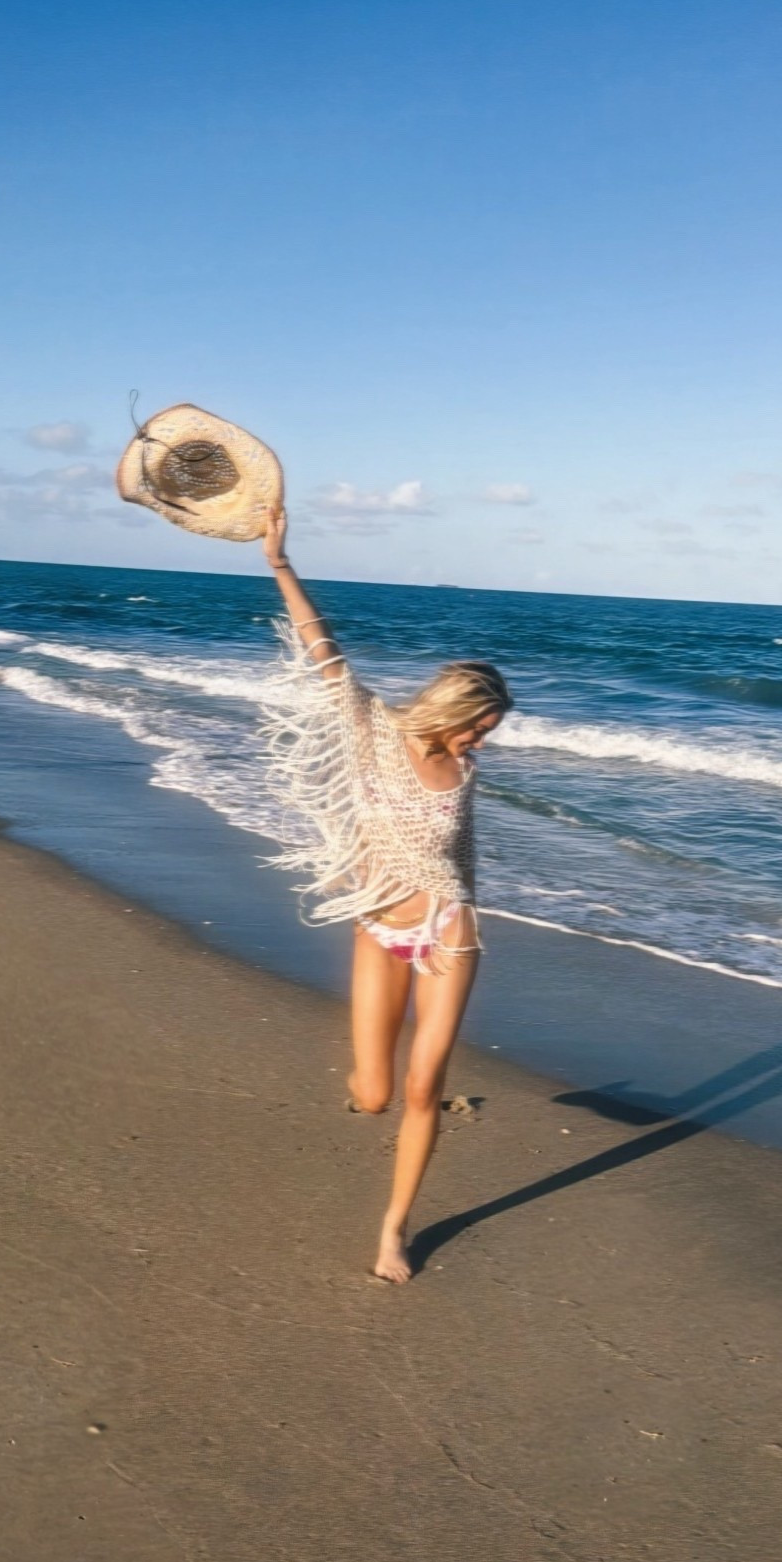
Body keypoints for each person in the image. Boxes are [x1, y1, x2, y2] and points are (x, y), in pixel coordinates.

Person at [260, 504, 512, 1282]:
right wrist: (280, 563)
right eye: (478, 729)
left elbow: (460, 860)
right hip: (378, 927)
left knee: (422, 1087)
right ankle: (366, 1092)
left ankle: (393, 1232)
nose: (480, 743)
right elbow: (321, 647)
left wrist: (453, 920)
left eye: (488, 734)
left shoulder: (464, 772)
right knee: (374, 1095)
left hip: (449, 934)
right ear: (453, 710)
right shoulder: (374, 729)